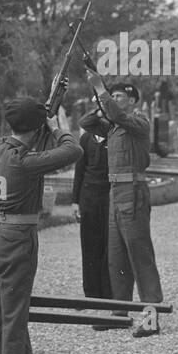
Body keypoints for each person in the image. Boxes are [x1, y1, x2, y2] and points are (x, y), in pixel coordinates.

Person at [0, 97, 82, 354]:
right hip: (17, 240)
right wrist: (54, 127)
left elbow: (39, 150)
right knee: (15, 319)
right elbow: (73, 150)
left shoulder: (4, 150)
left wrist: (40, 126)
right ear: (35, 128)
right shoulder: (23, 160)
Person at [82, 68, 163, 317]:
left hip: (133, 191)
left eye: (119, 97)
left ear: (132, 101)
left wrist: (99, 88)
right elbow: (85, 123)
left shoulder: (137, 121)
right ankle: (120, 311)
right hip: (115, 191)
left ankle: (151, 314)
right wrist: (99, 108)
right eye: (112, 96)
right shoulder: (115, 128)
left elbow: (117, 114)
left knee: (139, 254)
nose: (114, 100)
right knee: (116, 256)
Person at [72, 102, 113, 300]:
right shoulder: (86, 138)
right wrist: (75, 201)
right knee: (89, 246)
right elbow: (79, 171)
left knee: (107, 246)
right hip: (88, 197)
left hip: (107, 196)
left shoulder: (114, 136)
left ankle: (107, 293)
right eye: (99, 111)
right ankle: (91, 293)